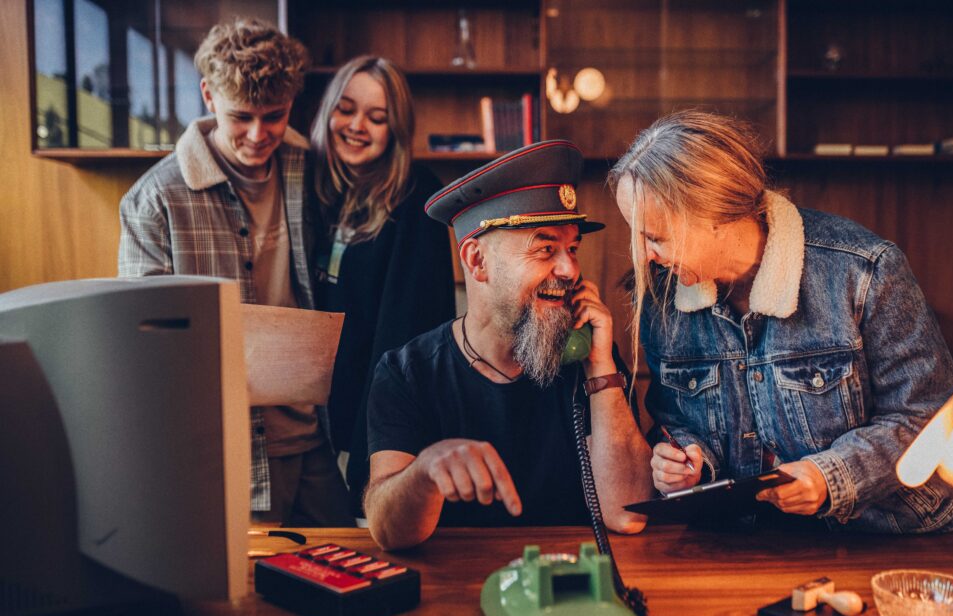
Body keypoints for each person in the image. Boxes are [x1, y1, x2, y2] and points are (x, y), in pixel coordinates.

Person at [609, 110, 953, 534]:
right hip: (753, 543)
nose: (643, 255)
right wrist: (686, 459)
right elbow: (677, 421)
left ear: (716, 215)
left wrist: (830, 476)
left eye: (654, 237)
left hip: (892, 537)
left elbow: (930, 416)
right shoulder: (661, 297)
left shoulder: (864, 270)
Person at [118, 18, 352, 526]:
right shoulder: (154, 200)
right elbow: (145, 349)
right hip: (227, 451)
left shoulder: (306, 163)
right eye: (240, 116)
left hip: (316, 434)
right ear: (207, 94)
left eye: (275, 116)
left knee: (352, 564)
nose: (258, 134)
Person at [363, 140, 652, 550]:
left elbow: (628, 514)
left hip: (569, 585)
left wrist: (602, 368)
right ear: (477, 261)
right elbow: (389, 532)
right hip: (456, 590)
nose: (570, 269)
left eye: (572, 248)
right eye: (545, 248)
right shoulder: (407, 374)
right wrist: (424, 472)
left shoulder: (589, 360)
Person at [307, 56, 454, 519]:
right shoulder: (320, 190)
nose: (356, 126)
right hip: (314, 419)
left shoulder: (415, 196)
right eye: (345, 110)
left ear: (396, 128)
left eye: (376, 117)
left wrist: (368, 450)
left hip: (371, 427)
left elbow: (404, 338)